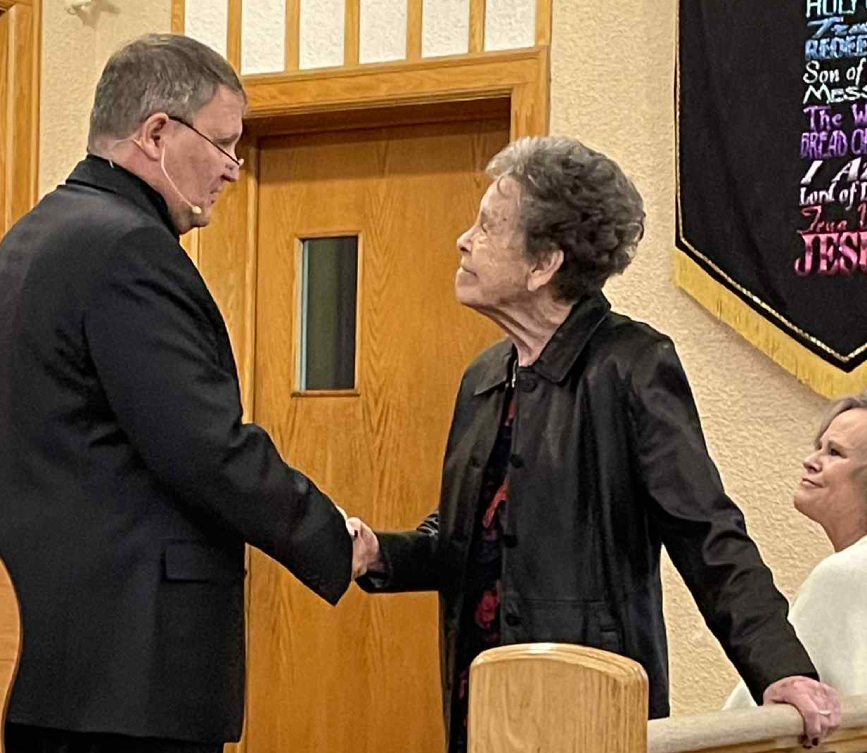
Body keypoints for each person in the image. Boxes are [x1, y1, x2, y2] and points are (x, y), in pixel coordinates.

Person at [347, 136, 841, 752]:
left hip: (593, 708)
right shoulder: (484, 375)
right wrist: (378, 553)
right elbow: (466, 540)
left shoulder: (632, 364)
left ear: (544, 264)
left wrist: (781, 670)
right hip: (485, 707)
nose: (463, 241)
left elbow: (707, 535)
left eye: (487, 227)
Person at [0, 34, 374, 753]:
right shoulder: (129, 249)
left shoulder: (32, 236)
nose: (233, 169)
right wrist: (331, 537)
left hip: (35, 653)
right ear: (156, 133)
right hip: (127, 667)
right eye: (223, 144)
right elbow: (203, 447)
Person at [726, 393, 867, 707]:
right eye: (819, 446)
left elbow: (759, 713)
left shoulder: (846, 574)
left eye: (834, 452)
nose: (811, 461)